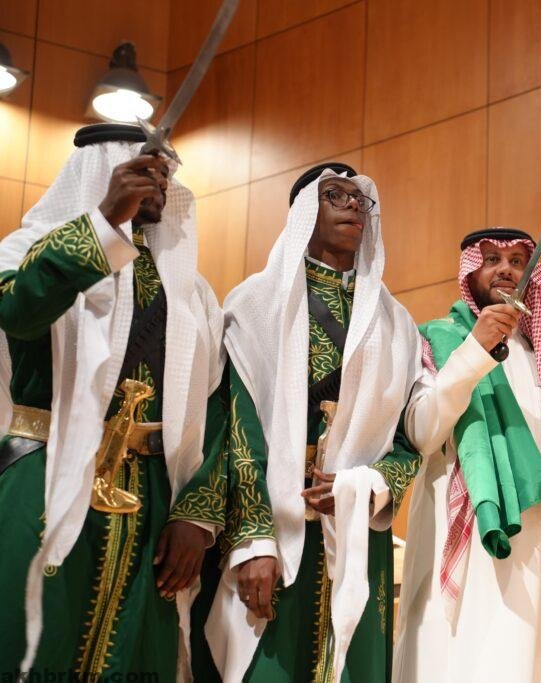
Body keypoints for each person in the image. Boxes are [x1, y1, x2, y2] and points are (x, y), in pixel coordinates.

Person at [0, 123, 224, 679]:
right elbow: (19, 312)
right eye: (141, 171)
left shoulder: (192, 292)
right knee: (29, 643)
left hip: (152, 499)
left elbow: (216, 408)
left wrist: (196, 515)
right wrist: (103, 221)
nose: (157, 185)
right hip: (43, 475)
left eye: (163, 175)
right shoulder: (28, 250)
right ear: (102, 172)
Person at [194, 163, 422, 681]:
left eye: (360, 198)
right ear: (302, 213)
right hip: (273, 527)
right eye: (334, 195)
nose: (352, 205)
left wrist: (375, 484)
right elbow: (236, 429)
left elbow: (409, 436)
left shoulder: (397, 322)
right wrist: (254, 540)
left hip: (357, 531)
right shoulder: (257, 303)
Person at [393, 228, 541, 683]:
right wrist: (474, 351)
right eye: (492, 259)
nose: (506, 269)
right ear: (470, 273)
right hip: (460, 541)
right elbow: (421, 431)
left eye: (518, 261)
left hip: (535, 543)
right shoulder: (437, 340)